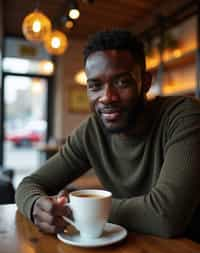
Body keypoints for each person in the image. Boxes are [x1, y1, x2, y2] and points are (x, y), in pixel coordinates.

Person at [16, 29, 200, 241]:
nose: (107, 97)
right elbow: (29, 184)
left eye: (122, 82)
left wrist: (79, 209)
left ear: (145, 83)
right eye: (95, 86)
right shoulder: (92, 132)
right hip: (135, 247)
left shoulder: (184, 117)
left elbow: (167, 215)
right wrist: (36, 207)